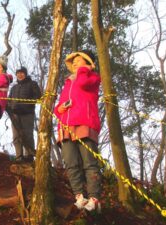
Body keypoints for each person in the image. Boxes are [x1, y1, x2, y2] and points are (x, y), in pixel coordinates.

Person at [53, 50, 102, 211]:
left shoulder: (93, 77)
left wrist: (84, 69)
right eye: (73, 61)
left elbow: (83, 84)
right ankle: (79, 196)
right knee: (70, 162)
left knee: (89, 162)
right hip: (66, 126)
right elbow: (58, 108)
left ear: (88, 63)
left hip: (85, 124)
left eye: (79, 60)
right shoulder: (68, 82)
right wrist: (59, 108)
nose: (74, 63)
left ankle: (94, 198)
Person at [7, 66, 41, 162]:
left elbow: (38, 96)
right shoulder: (14, 87)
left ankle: (29, 155)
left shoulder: (32, 84)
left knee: (28, 134)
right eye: (18, 73)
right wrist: (10, 107)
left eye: (22, 73)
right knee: (16, 136)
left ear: (25, 74)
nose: (20, 75)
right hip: (15, 114)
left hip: (27, 113)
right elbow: (9, 99)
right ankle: (19, 156)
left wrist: (29, 103)